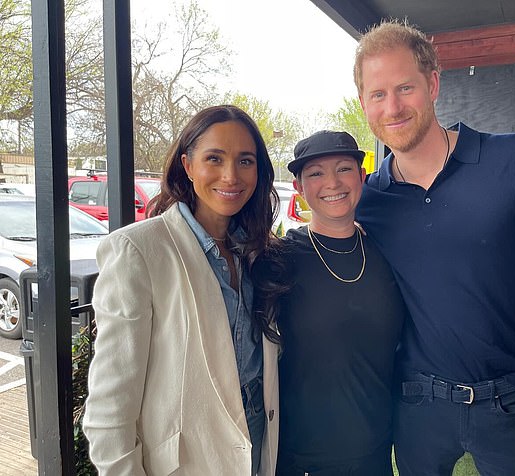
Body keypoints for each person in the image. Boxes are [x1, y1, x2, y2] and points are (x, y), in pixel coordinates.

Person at [354, 20, 515, 476]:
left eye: (405, 87)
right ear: (364, 103)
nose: (393, 106)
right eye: (377, 93)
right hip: (417, 405)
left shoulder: (514, 160)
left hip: (514, 403)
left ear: (432, 84)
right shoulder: (369, 202)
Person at [83, 105, 280, 475]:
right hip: (189, 459)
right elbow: (110, 406)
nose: (230, 175)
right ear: (188, 166)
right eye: (214, 158)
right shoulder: (139, 250)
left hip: (257, 440)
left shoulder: (255, 251)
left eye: (245, 161)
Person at [255, 130, 406, 476]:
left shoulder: (388, 254)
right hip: (302, 455)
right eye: (316, 173)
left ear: (362, 176)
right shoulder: (277, 260)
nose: (332, 183)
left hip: (375, 449)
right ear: (298, 187)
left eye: (343, 169)